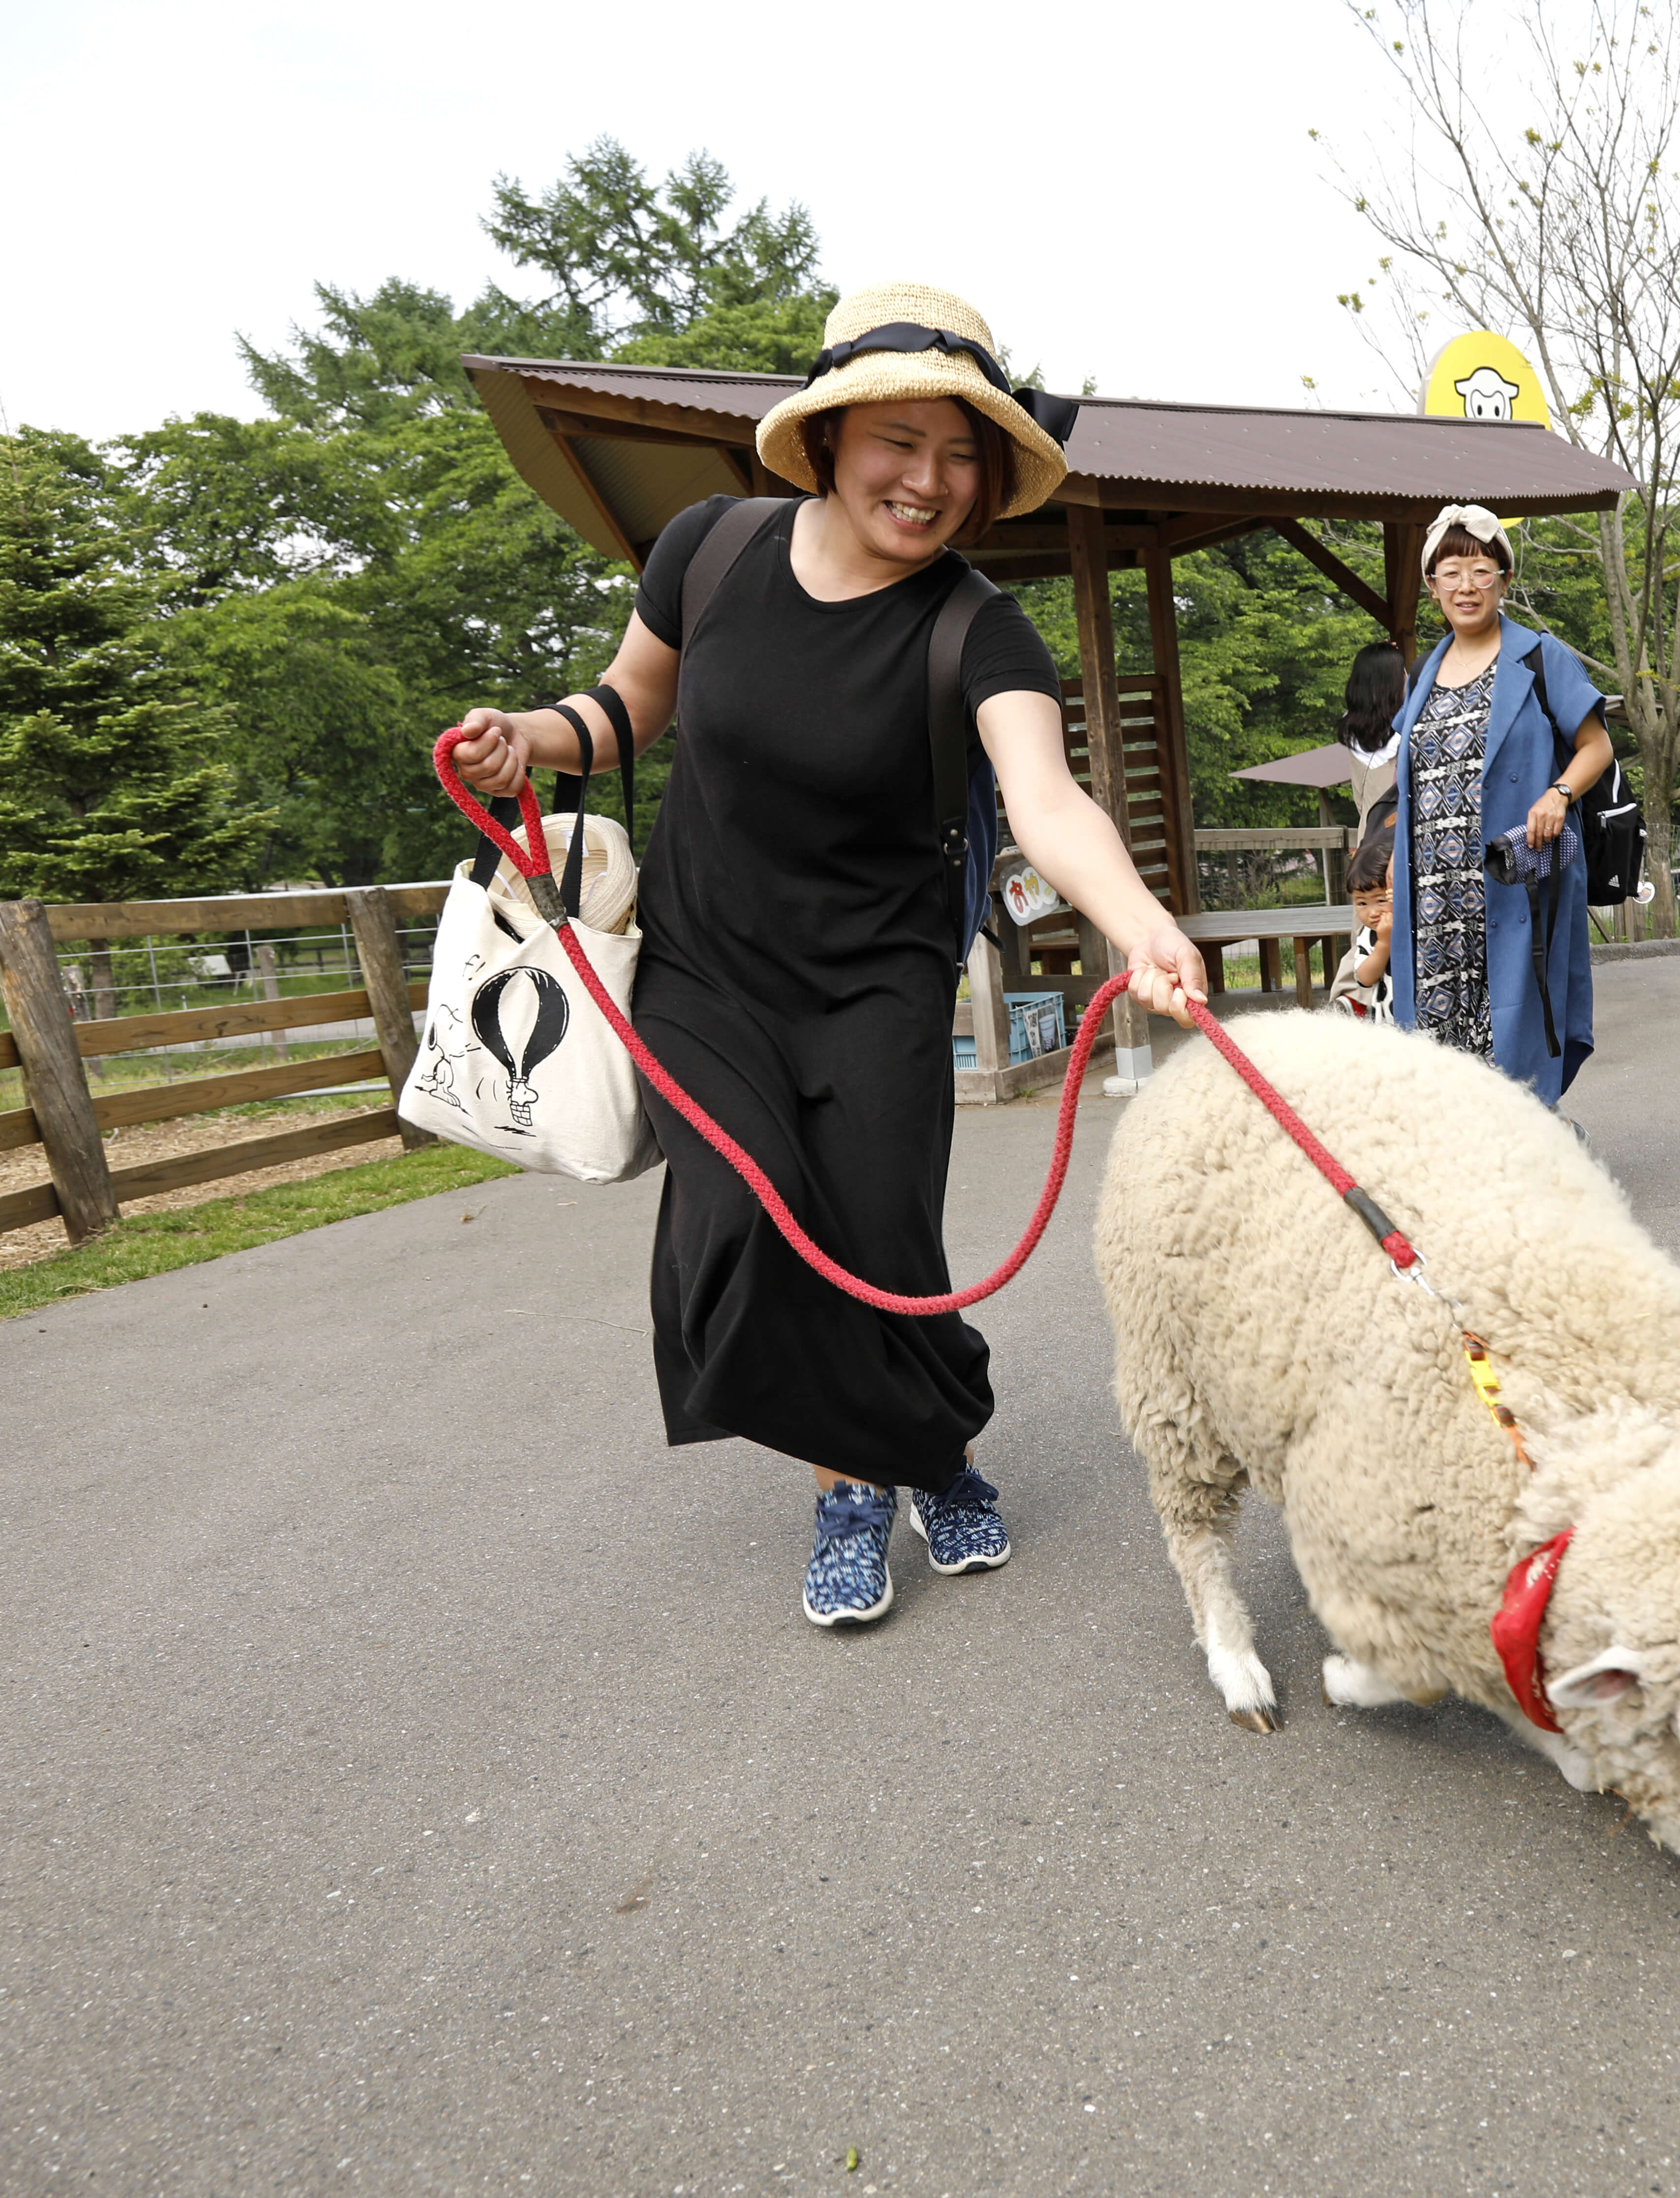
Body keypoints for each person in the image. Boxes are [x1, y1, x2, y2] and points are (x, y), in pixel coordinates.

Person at [446, 282, 1207, 1631]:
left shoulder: (978, 628)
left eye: (960, 452)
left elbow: (1048, 798)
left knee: (884, 1244)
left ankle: (939, 1448)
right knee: (744, 1237)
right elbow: (632, 704)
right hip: (710, 969)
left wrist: (1142, 925)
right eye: (899, 441)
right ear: (834, 435)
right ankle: (851, 1481)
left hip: (878, 982)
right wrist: (533, 736)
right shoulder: (711, 551)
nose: (927, 481)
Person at [1385, 504, 1614, 1101]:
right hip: (1433, 895)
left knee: (1512, 1030)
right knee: (1437, 1038)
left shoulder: (1540, 656)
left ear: (1505, 580)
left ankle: (1530, 1146)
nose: (1467, 586)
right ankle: (1457, 1164)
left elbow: (1597, 747)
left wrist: (1559, 793)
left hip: (1513, 879)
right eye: (1451, 571)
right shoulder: (1422, 674)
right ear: (1432, 587)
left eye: (1482, 570)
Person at [1335, 641, 1409, 828]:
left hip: (1367, 839)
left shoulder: (1354, 727)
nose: (1407, 677)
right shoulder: (1410, 731)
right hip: (1398, 841)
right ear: (1394, 683)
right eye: (1403, 672)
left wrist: (1380, 657)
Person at [1331, 814, 1394, 1021]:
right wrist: (1384, 944)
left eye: (1381, 900)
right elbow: (1365, 979)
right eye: (1362, 903)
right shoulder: (1369, 935)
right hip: (1387, 1024)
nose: (1373, 912)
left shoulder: (1418, 925)